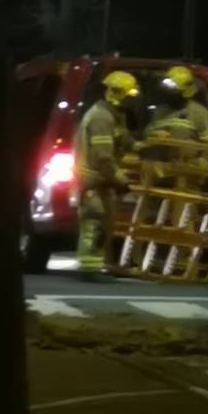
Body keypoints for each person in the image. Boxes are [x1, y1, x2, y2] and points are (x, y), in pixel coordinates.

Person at [75, 69, 140, 273]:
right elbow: (104, 157)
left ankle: (98, 265)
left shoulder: (114, 115)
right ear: (117, 94)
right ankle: (89, 269)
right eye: (129, 96)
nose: (132, 101)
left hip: (102, 180)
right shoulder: (101, 118)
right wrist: (121, 180)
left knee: (105, 223)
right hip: (93, 179)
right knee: (94, 222)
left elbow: (126, 142)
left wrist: (147, 146)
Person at [146, 65, 208, 142]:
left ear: (184, 93)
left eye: (175, 92)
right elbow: (147, 133)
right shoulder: (161, 111)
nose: (170, 95)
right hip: (162, 152)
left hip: (189, 153)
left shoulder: (200, 113)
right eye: (169, 91)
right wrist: (153, 134)